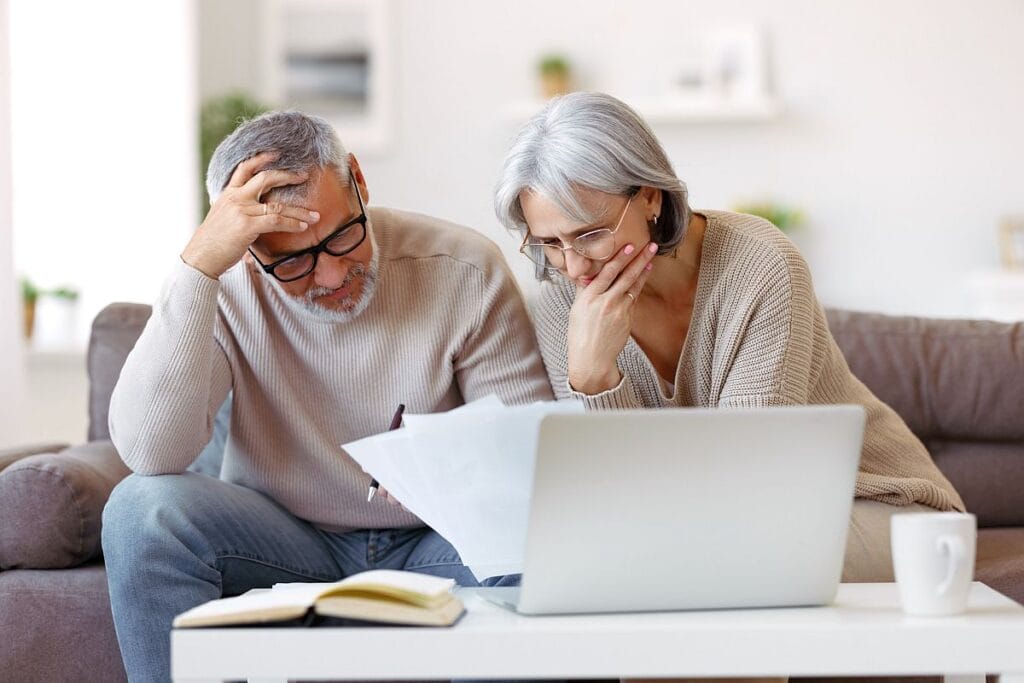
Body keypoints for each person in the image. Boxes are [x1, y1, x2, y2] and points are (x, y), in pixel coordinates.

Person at [102, 110, 553, 682]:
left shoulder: (463, 267)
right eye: (292, 262)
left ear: (359, 182)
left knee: (537, 552)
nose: (333, 276)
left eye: (343, 236)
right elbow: (151, 455)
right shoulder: (226, 284)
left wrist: (440, 465)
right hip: (282, 538)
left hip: (434, 541)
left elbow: (527, 468)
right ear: (247, 249)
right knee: (138, 512)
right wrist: (197, 270)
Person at [493, 91, 965, 585]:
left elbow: (745, 482)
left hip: (878, 506)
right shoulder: (559, 303)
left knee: (723, 563)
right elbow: (612, 497)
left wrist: (600, 393)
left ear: (651, 196)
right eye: (549, 242)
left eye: (590, 234)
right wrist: (594, 379)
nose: (572, 266)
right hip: (723, 534)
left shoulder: (761, 264)